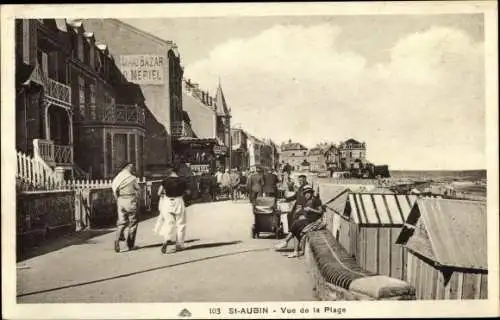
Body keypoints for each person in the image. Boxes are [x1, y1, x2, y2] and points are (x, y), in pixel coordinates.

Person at [274, 185, 325, 257]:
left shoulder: (316, 200)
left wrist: (311, 210)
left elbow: (320, 212)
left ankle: (286, 242)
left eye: (308, 193)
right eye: (305, 193)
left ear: (311, 193)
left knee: (296, 224)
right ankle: (294, 251)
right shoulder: (307, 201)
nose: (307, 195)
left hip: (313, 220)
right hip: (307, 219)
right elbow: (304, 210)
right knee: (296, 229)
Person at [154, 164, 188, 254]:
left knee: (169, 223)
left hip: (168, 202)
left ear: (171, 172)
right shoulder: (182, 181)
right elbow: (186, 192)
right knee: (181, 223)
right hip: (178, 201)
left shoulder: (165, 181)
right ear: (178, 172)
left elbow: (159, 193)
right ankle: (179, 245)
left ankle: (165, 240)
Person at [111, 162, 140, 253]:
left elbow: (114, 189)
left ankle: (117, 240)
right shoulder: (132, 178)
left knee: (122, 222)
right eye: (131, 167)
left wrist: (118, 199)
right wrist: (137, 199)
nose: (132, 168)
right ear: (127, 167)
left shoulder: (117, 177)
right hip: (130, 200)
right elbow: (138, 189)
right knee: (133, 223)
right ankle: (130, 245)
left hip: (120, 200)